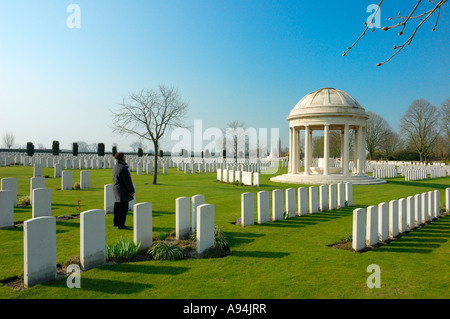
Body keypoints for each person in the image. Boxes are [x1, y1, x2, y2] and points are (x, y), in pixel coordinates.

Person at [112, 152, 135, 229]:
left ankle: (116, 222)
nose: (125, 157)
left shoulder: (115, 167)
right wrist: (132, 191)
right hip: (122, 190)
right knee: (123, 208)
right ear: (122, 158)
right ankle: (121, 224)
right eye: (124, 156)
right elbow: (128, 181)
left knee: (117, 206)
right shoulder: (123, 168)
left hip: (116, 189)